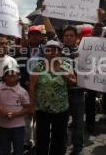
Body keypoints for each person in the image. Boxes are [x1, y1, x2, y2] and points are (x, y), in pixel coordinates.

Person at [29, 40, 76, 155]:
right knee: (42, 137)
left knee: (59, 137)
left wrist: (66, 75)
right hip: (42, 109)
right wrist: (32, 106)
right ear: (45, 52)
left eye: (55, 49)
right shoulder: (38, 67)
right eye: (49, 49)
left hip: (61, 109)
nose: (52, 52)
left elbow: (73, 82)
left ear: (59, 52)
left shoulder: (66, 65)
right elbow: (32, 88)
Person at [0, 65, 30, 155]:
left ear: (19, 76)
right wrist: (0, 109)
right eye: (8, 74)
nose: (11, 76)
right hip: (2, 126)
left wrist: (15, 114)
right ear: (4, 76)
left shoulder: (22, 91)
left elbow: (27, 108)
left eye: (14, 74)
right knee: (4, 151)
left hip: (18, 127)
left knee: (18, 150)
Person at [61, 25, 84, 155]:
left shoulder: (83, 51)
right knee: (62, 122)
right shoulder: (57, 50)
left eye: (71, 35)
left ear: (76, 38)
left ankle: (78, 146)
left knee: (78, 122)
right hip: (61, 92)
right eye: (66, 35)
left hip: (78, 92)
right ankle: (62, 146)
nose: (68, 38)